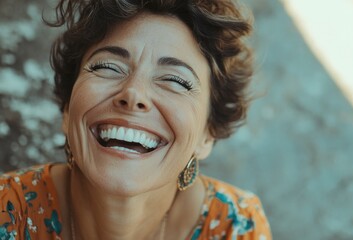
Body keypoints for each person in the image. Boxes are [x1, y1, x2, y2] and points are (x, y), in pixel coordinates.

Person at [0, 0, 272, 239]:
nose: (133, 94)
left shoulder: (235, 227)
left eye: (175, 80)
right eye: (108, 66)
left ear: (207, 134)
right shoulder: (7, 213)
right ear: (67, 109)